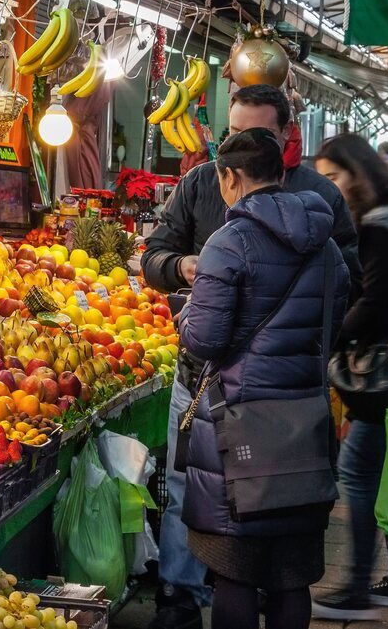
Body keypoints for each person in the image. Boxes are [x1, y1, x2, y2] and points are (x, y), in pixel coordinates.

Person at [140, 84, 358, 629]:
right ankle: (179, 597)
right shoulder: (321, 230)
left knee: (233, 559)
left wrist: (186, 308)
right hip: (299, 404)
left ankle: (194, 598)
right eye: (235, 131)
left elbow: (205, 339)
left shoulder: (232, 239)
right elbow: (340, 303)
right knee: (289, 565)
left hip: (230, 403)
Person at [311, 134, 388, 621]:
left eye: (332, 178)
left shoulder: (380, 225)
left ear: (356, 175)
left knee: (359, 474)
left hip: (387, 373)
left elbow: (376, 302)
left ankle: (358, 587)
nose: (328, 188)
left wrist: (328, 340)